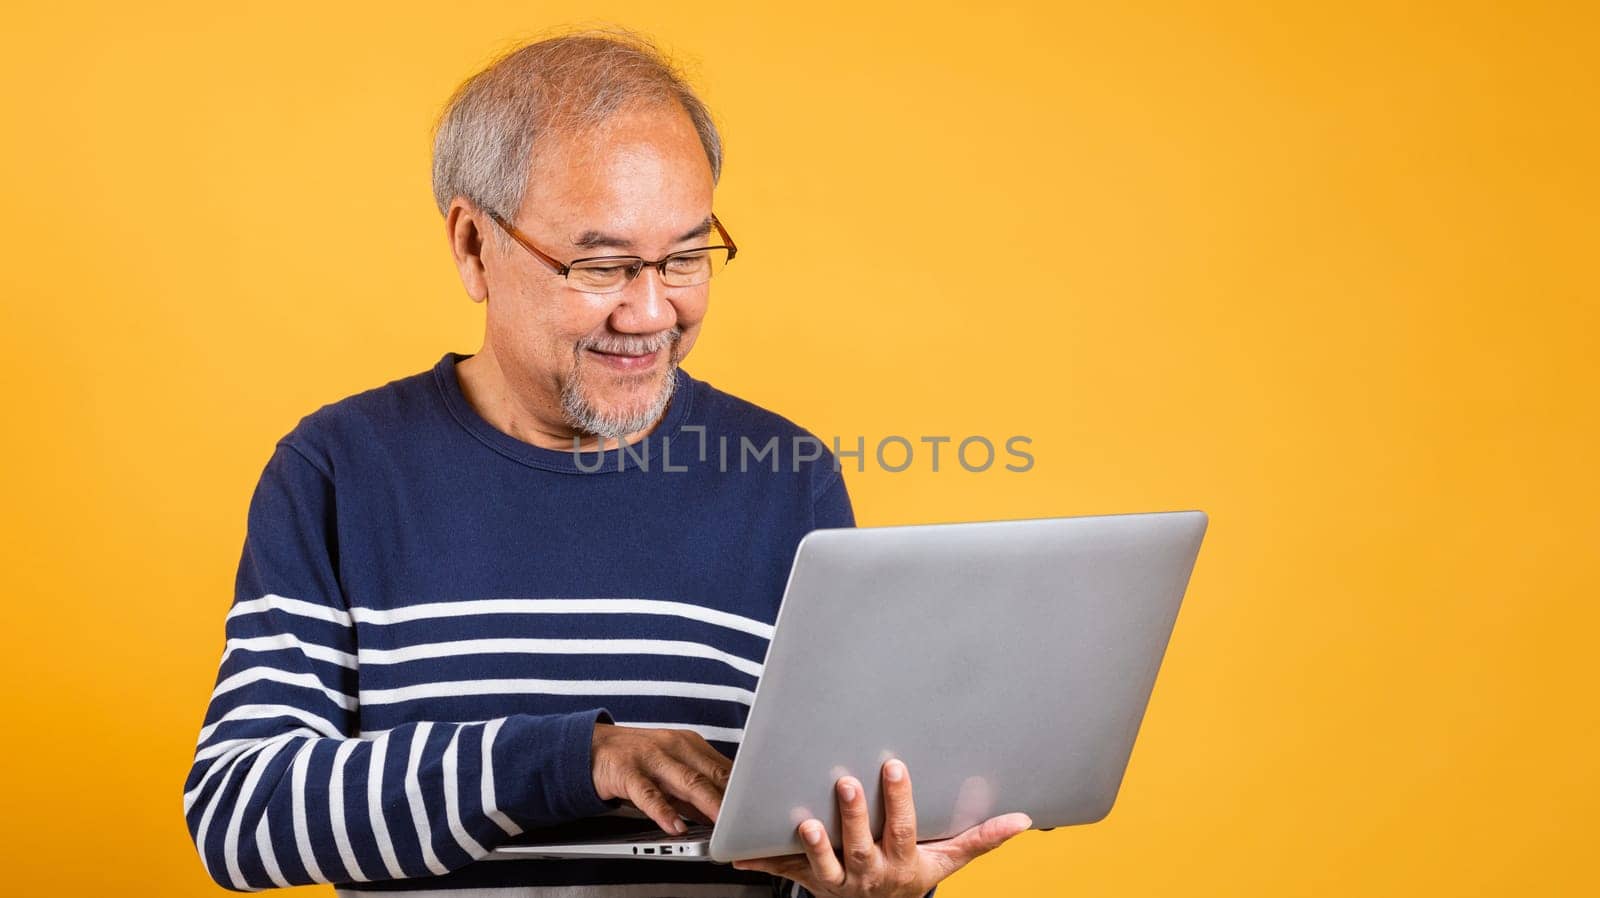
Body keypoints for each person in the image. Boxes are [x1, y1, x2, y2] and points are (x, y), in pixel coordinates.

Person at [182, 28, 1030, 898]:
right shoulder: (337, 471)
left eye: (687, 257)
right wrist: (574, 760)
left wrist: (883, 883)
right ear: (474, 245)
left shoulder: (787, 477)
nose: (653, 312)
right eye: (603, 264)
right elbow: (241, 819)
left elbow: (830, 831)